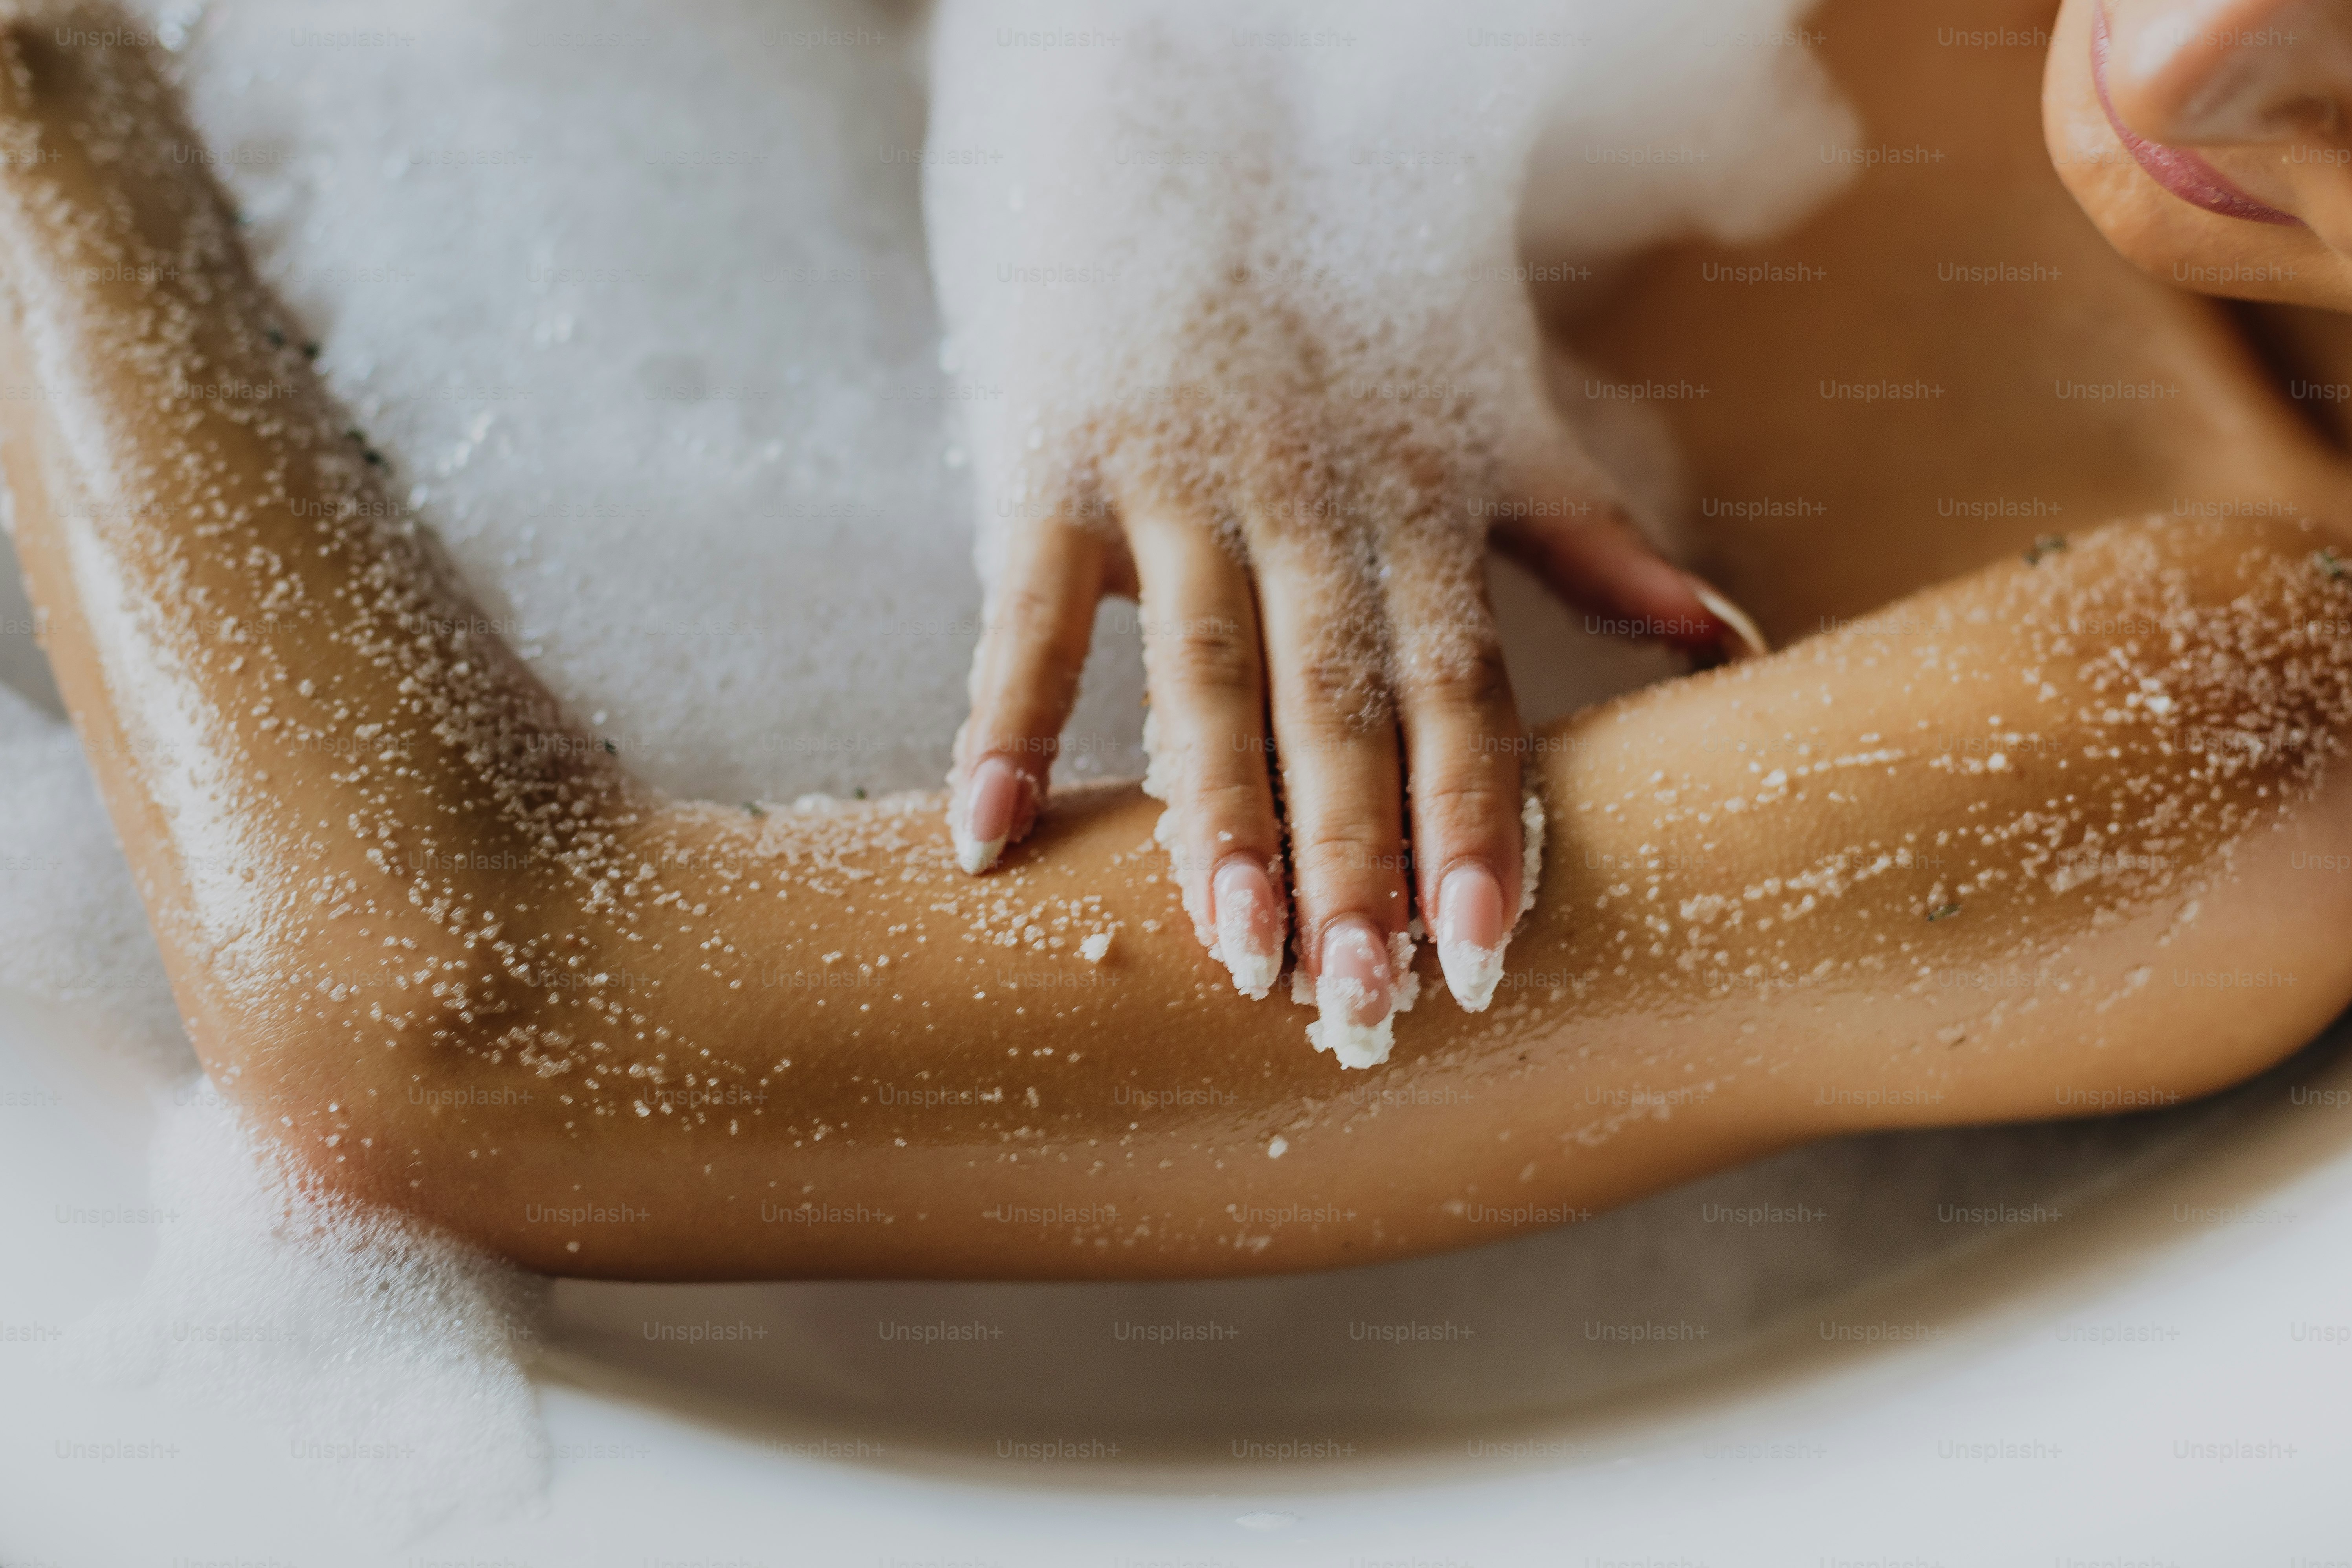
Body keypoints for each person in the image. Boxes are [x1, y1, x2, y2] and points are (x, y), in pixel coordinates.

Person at [4, 0, 2352, 1283]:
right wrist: (1155, 100)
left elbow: (467, 1018)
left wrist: (45, 103)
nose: (2186, 58)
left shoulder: (2224, 732)